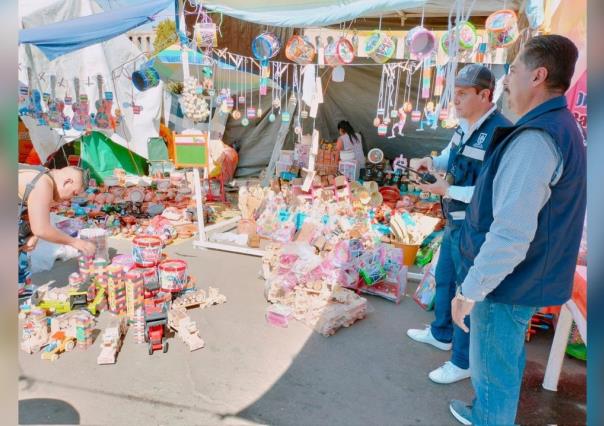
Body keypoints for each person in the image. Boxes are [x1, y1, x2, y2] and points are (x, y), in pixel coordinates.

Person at [448, 35, 585, 425]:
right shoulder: (555, 126)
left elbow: (511, 233)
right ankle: (483, 412)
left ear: (538, 75)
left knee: (495, 370)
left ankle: (488, 416)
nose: (506, 80)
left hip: (511, 282)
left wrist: (470, 290)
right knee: (500, 362)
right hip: (522, 279)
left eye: (512, 70)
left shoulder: (537, 139)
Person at [406, 64, 512, 384]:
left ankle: (462, 361)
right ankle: (441, 333)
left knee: (465, 294)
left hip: (476, 226)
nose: (456, 100)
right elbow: (451, 156)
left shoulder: (500, 132)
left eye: (463, 94)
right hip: (453, 219)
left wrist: (447, 189)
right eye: (455, 94)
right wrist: (431, 162)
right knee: (444, 278)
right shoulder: (465, 125)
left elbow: (492, 191)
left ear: (485, 95)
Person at [18, 165, 97, 297]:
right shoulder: (43, 184)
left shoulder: (46, 176)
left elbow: (36, 218)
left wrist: (33, 234)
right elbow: (42, 229)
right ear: (67, 182)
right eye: (74, 193)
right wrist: (76, 243)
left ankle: (20, 286)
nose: (71, 199)